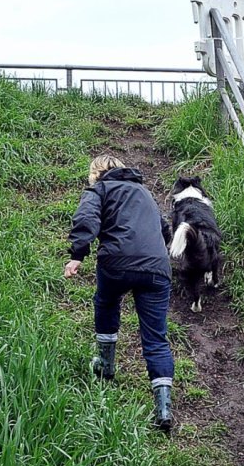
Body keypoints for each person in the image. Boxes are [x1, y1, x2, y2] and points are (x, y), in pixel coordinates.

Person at [64, 154, 175, 431]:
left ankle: (105, 365)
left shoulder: (99, 189)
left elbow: (86, 218)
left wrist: (78, 255)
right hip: (157, 268)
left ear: (95, 173)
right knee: (156, 337)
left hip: (117, 262)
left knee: (106, 301)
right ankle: (163, 408)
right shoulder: (145, 192)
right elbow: (164, 229)